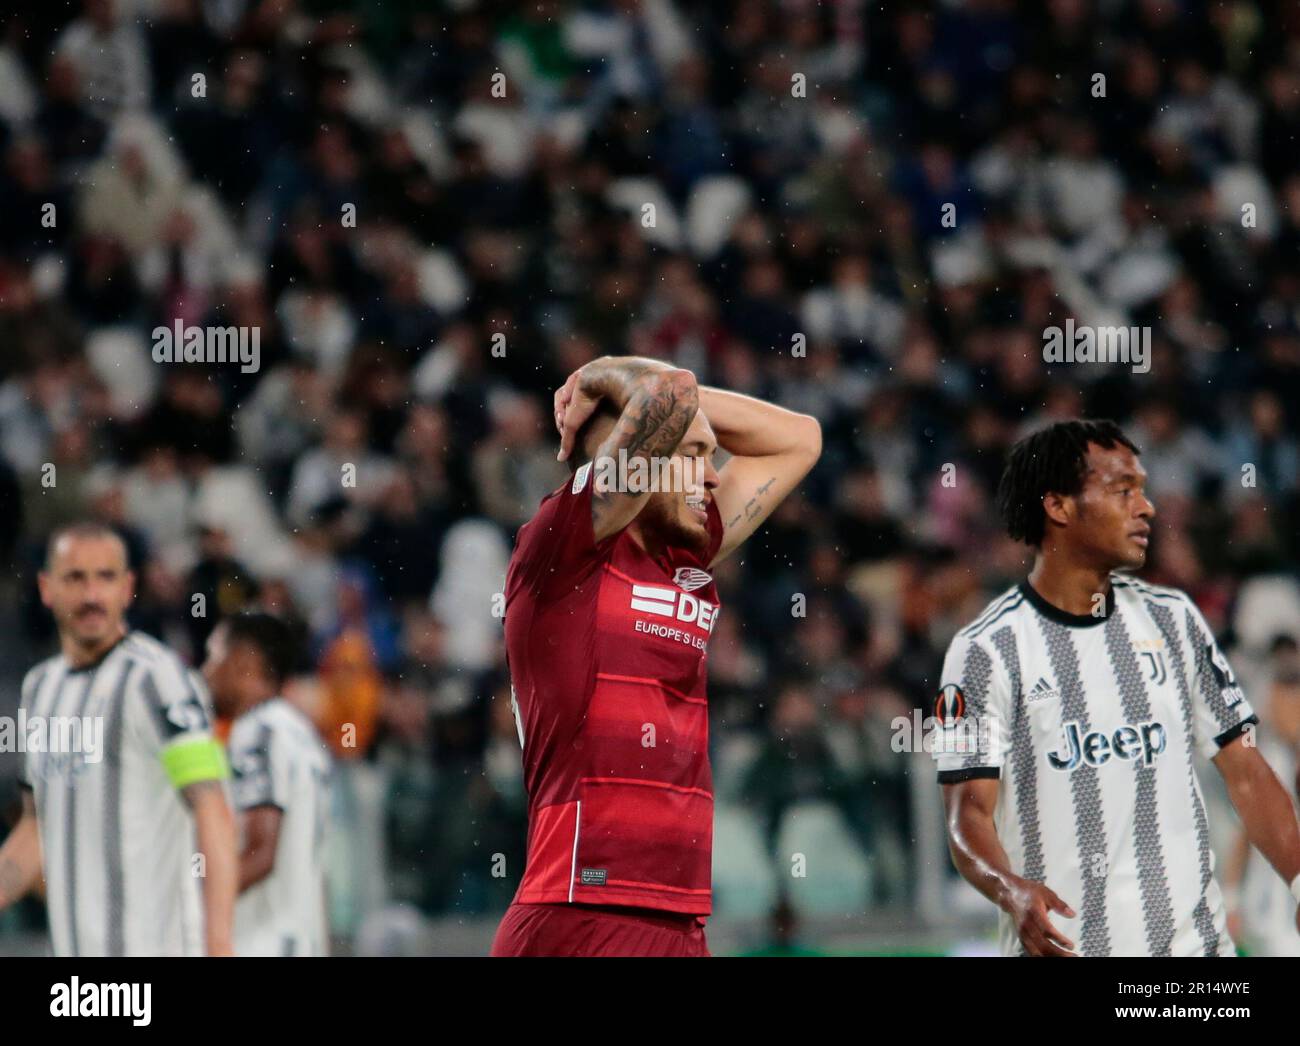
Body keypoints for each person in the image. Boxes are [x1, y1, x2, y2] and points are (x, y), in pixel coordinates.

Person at [491, 355, 821, 956]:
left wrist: (676, 405)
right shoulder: (563, 547)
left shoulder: (686, 556)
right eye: (693, 455)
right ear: (636, 459)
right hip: (581, 909)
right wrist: (609, 373)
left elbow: (801, 438)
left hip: (679, 918)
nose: (715, 476)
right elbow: (669, 393)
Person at [937, 420, 1300, 956]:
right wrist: (1010, 889)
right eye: (1123, 490)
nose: (1146, 507)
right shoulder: (986, 651)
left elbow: (1246, 772)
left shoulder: (1175, 621)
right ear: (1058, 506)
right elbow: (967, 814)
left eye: (1143, 489)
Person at [0, 521, 237, 956]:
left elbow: (212, 809)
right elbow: (36, 830)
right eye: (75, 578)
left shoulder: (157, 679)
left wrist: (220, 944)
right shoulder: (39, 689)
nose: (92, 595)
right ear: (47, 588)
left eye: (105, 577)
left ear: (128, 588)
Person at [203, 611, 333, 957]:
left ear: (245, 663)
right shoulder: (300, 734)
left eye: (214, 656)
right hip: (300, 940)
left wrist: (191, 907)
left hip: (261, 943)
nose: (206, 672)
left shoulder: (257, 732)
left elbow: (261, 852)